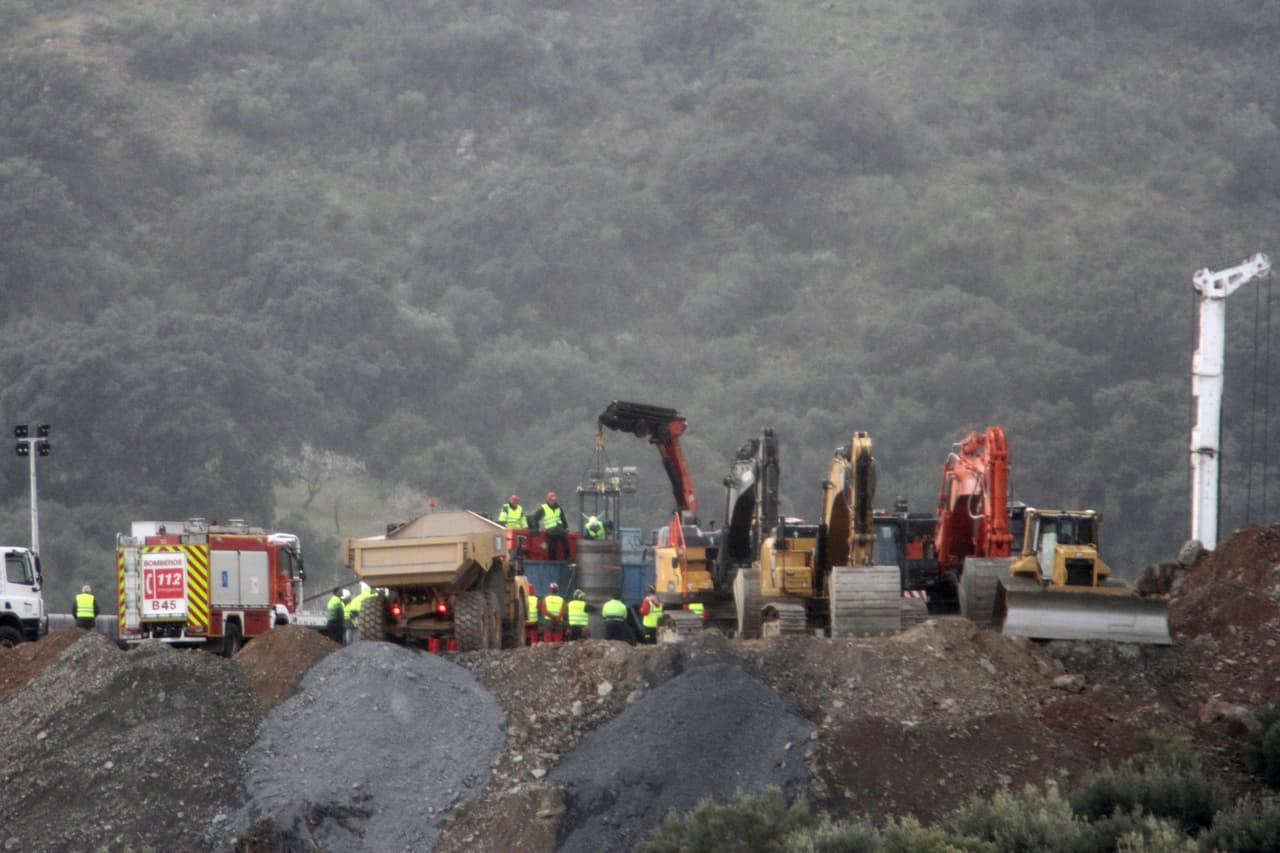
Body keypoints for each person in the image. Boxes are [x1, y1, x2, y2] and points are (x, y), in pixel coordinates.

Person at [530, 492, 569, 560]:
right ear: (548, 500)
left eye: (553, 500)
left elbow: (563, 518)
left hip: (560, 529)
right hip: (551, 530)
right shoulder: (544, 508)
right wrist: (535, 528)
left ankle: (567, 559)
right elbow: (535, 518)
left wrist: (565, 527)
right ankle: (552, 561)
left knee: (566, 544)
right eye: (551, 500)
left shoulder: (559, 507)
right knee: (552, 546)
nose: (552, 501)